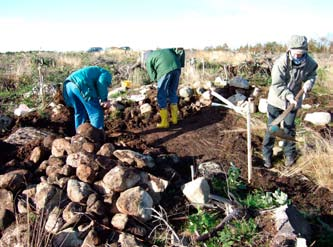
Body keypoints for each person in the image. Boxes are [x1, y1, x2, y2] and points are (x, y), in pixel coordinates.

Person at [262, 35, 318, 168]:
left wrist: (309, 83)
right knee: (273, 127)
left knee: (289, 129)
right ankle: (267, 155)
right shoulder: (281, 63)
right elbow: (277, 85)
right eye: (296, 54)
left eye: (301, 54)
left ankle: (289, 154)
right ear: (289, 51)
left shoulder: (309, 62)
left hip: (294, 102)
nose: (298, 57)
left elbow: (312, 74)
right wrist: (288, 95)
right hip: (276, 100)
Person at [142, 48, 185, 128]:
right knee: (172, 91)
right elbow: (179, 51)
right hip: (177, 68)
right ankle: (175, 119)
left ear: (145, 57)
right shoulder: (163, 50)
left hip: (165, 70)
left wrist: (156, 80)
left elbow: (152, 76)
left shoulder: (148, 59)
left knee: (161, 94)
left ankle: (165, 122)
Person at [63, 66, 112, 130]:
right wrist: (104, 99)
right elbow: (102, 83)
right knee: (96, 112)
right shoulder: (106, 74)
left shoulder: (95, 71)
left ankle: (79, 136)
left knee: (80, 111)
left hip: (68, 85)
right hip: (81, 84)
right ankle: (97, 135)